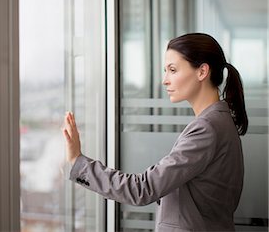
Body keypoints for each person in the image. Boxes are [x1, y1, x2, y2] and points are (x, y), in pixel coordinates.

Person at [61, 33, 247, 231]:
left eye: (173, 70)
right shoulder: (219, 121)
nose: (164, 80)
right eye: (165, 71)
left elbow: (143, 189)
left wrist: (78, 163)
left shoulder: (207, 129)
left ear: (202, 72)